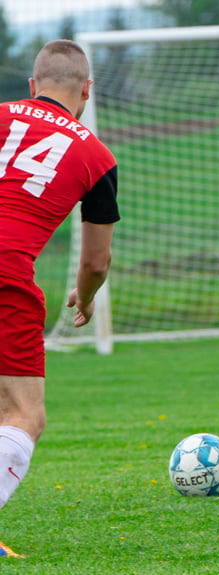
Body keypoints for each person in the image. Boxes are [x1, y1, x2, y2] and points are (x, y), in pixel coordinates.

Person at [0, 40, 119, 556]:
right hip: (5, 271)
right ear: (87, 92)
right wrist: (85, 297)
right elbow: (95, 261)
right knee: (25, 414)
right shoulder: (95, 154)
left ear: (32, 85)